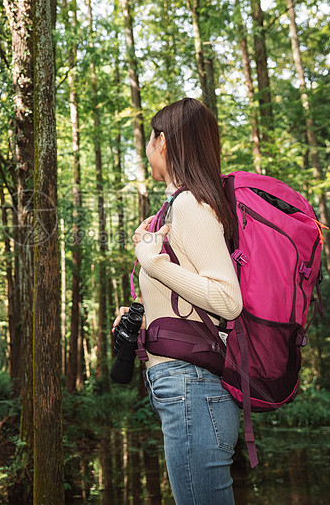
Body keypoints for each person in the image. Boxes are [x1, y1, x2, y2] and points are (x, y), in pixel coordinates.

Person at [115, 97, 243, 504]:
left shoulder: (190, 205)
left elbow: (227, 299)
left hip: (192, 385)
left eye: (150, 139)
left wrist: (153, 263)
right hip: (184, 385)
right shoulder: (174, 209)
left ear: (164, 142)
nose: (147, 149)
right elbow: (187, 295)